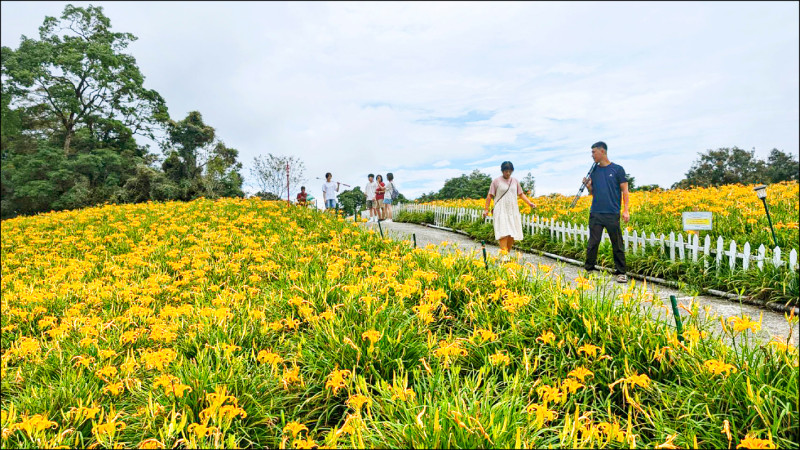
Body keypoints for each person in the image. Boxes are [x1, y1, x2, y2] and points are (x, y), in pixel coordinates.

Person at [582, 141, 630, 283]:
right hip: (596, 212)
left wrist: (625, 210)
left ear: (602, 151)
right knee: (593, 242)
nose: (592, 155)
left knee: (617, 243)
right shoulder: (594, 171)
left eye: (593, 152)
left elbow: (625, 191)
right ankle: (589, 269)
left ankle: (621, 273)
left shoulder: (617, 169)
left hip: (612, 212)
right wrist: (589, 187)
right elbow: (593, 193)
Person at [482, 161, 535, 255]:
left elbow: (521, 194)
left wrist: (529, 203)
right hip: (500, 209)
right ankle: (504, 256)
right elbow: (489, 196)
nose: (508, 173)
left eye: (510, 171)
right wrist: (486, 209)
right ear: (502, 171)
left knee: (512, 234)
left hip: (512, 210)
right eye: (506, 171)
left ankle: (507, 254)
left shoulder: (515, 181)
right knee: (503, 232)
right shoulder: (496, 181)